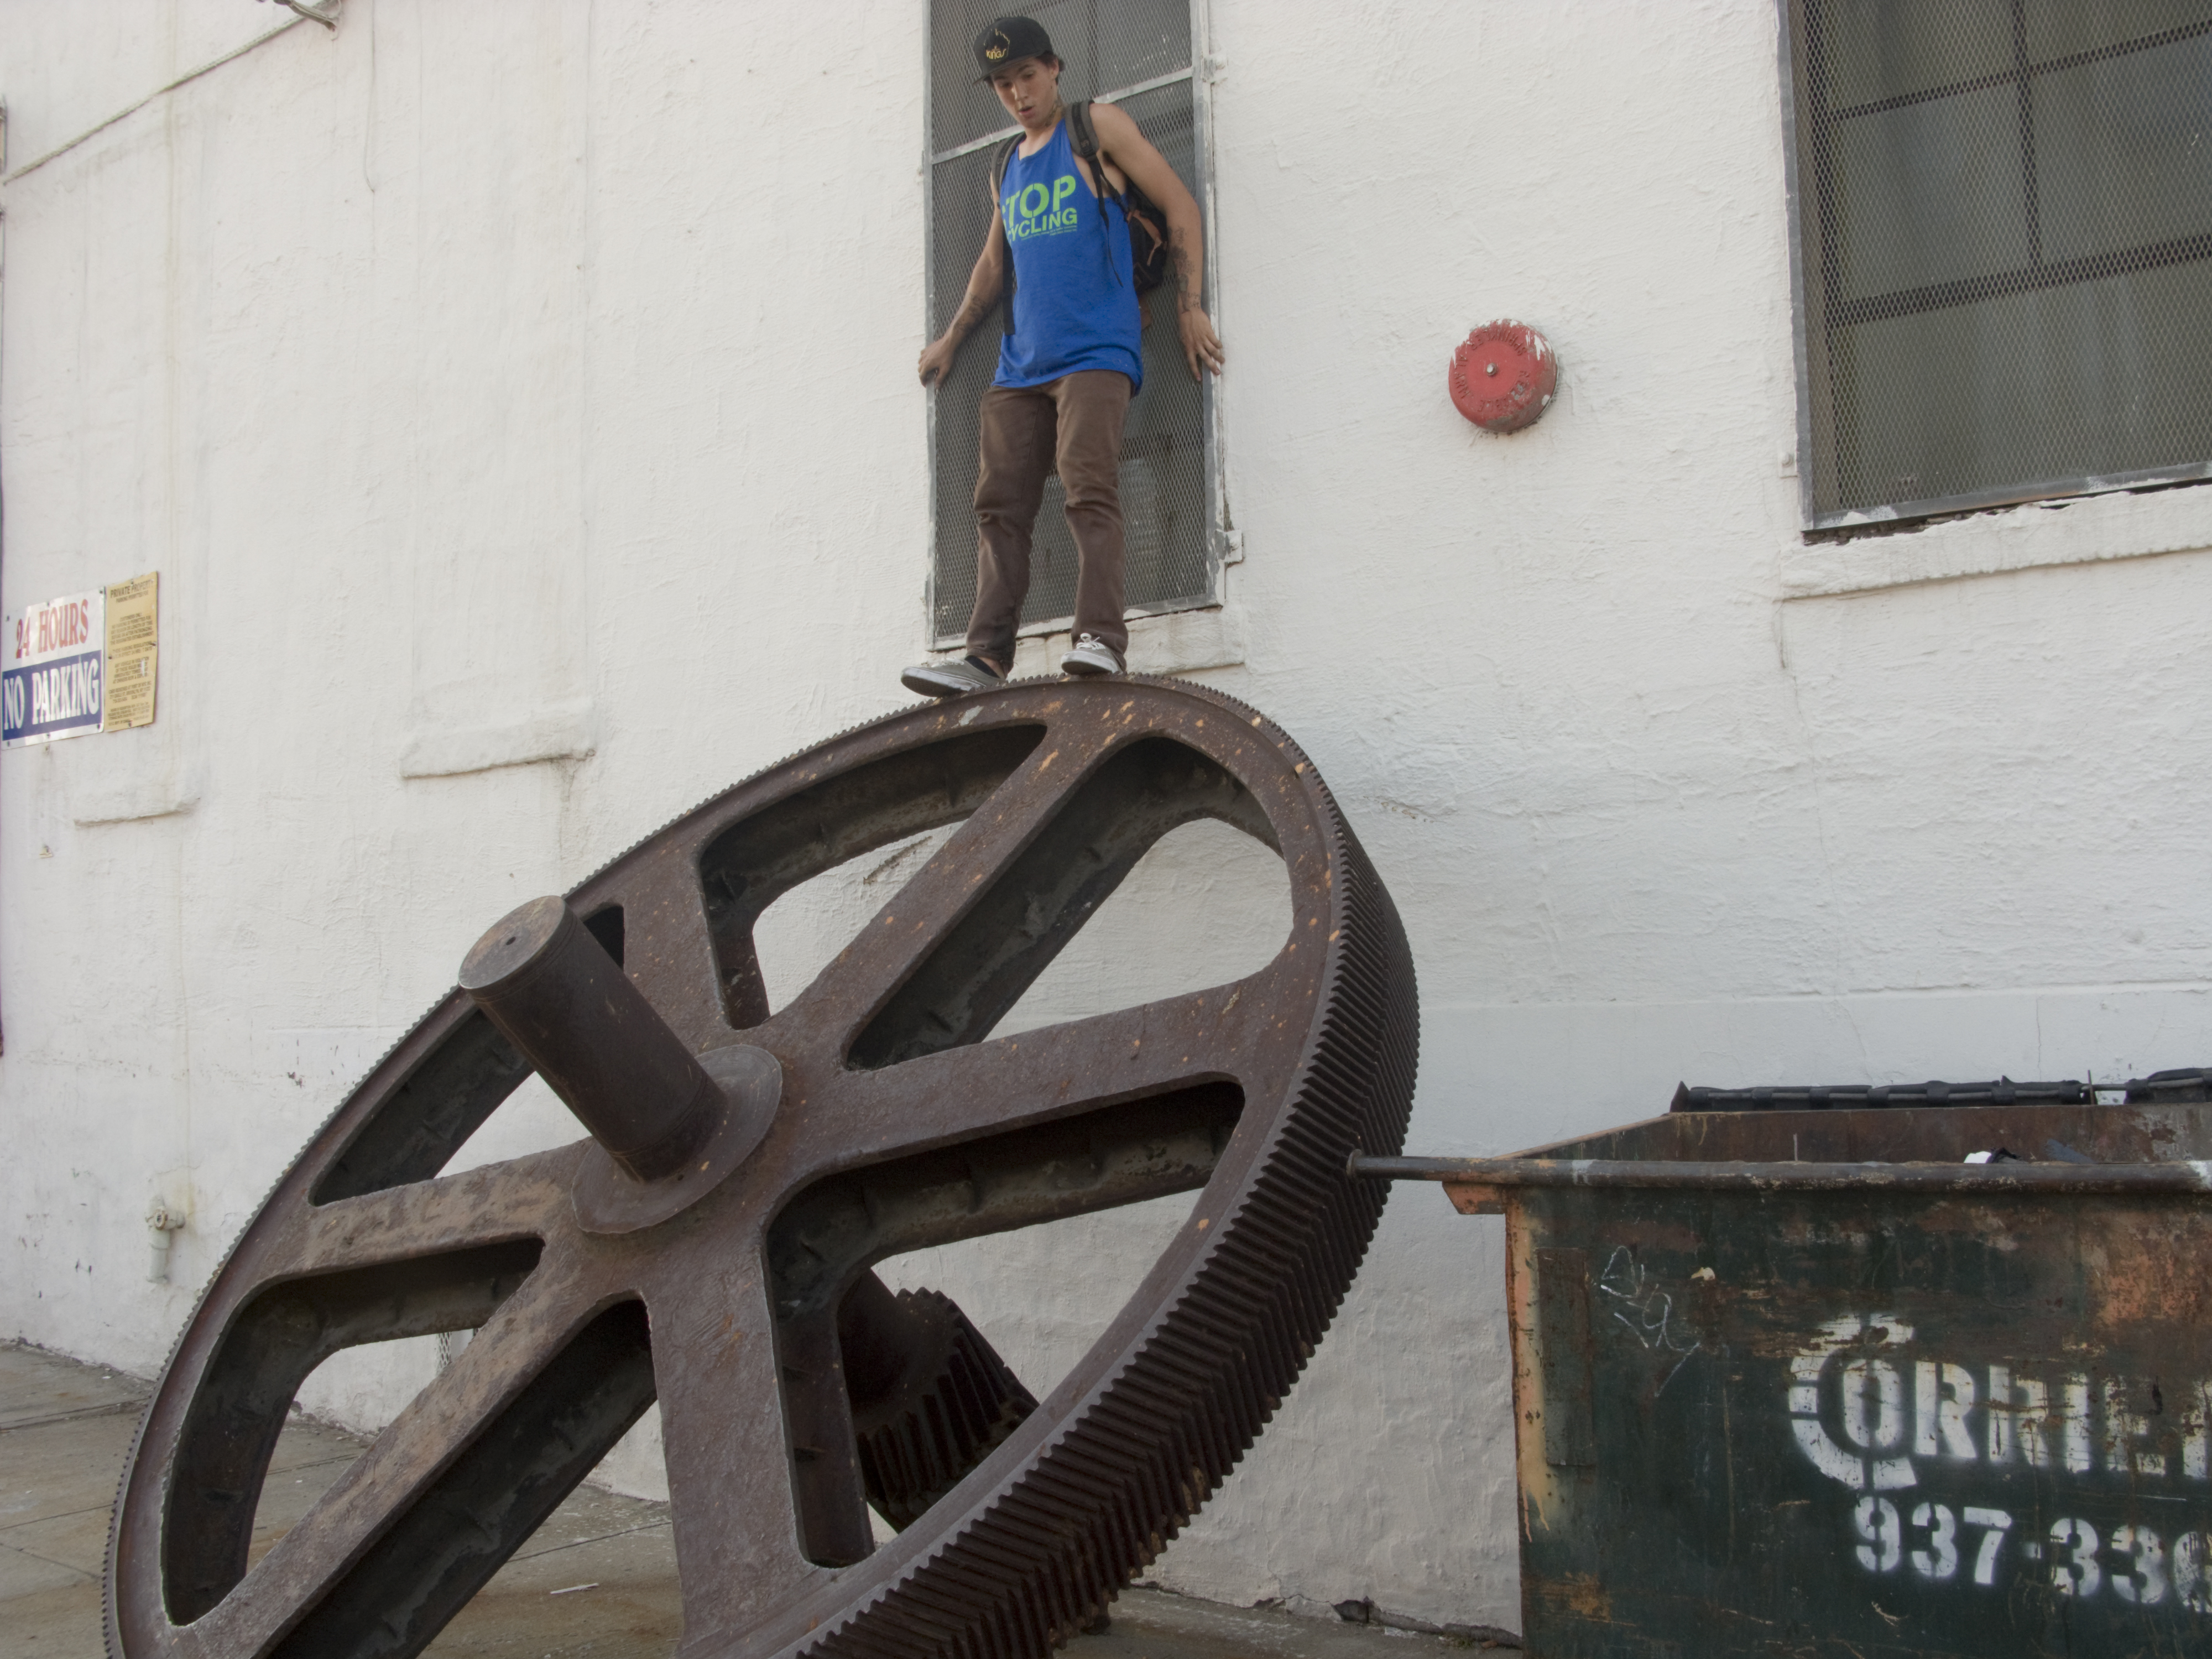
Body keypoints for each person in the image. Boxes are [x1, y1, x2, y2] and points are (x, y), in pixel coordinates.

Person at [902, 14, 1224, 697]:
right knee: (998, 505)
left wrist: (1189, 307)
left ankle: (1100, 639)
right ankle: (985, 659)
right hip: (1021, 363)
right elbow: (995, 263)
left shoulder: (1094, 126)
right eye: (1002, 84)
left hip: (1095, 351)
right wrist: (952, 337)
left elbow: (1179, 206)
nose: (1018, 93)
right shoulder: (1005, 165)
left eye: (1026, 75)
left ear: (1053, 68)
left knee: (1089, 487)